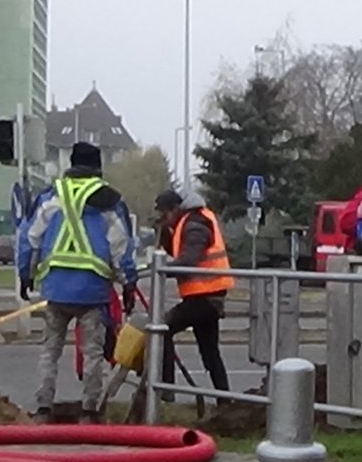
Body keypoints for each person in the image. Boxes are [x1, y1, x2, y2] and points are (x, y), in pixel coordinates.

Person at [17, 141, 137, 424]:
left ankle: (44, 409)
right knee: (93, 352)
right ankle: (89, 411)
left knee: (50, 349)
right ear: (98, 168)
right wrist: (128, 283)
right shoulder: (108, 200)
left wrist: (26, 274)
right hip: (92, 290)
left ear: (70, 165)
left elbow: (29, 237)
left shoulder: (51, 195)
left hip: (55, 288)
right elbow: (120, 246)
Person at [154, 189, 232, 398]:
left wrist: (163, 270)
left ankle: (166, 390)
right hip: (206, 297)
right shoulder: (190, 222)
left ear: (175, 209)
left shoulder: (195, 224)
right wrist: (164, 237)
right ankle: (225, 400)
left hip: (204, 298)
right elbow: (181, 253)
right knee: (210, 352)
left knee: (162, 329)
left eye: (165, 215)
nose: (166, 220)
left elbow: (189, 259)